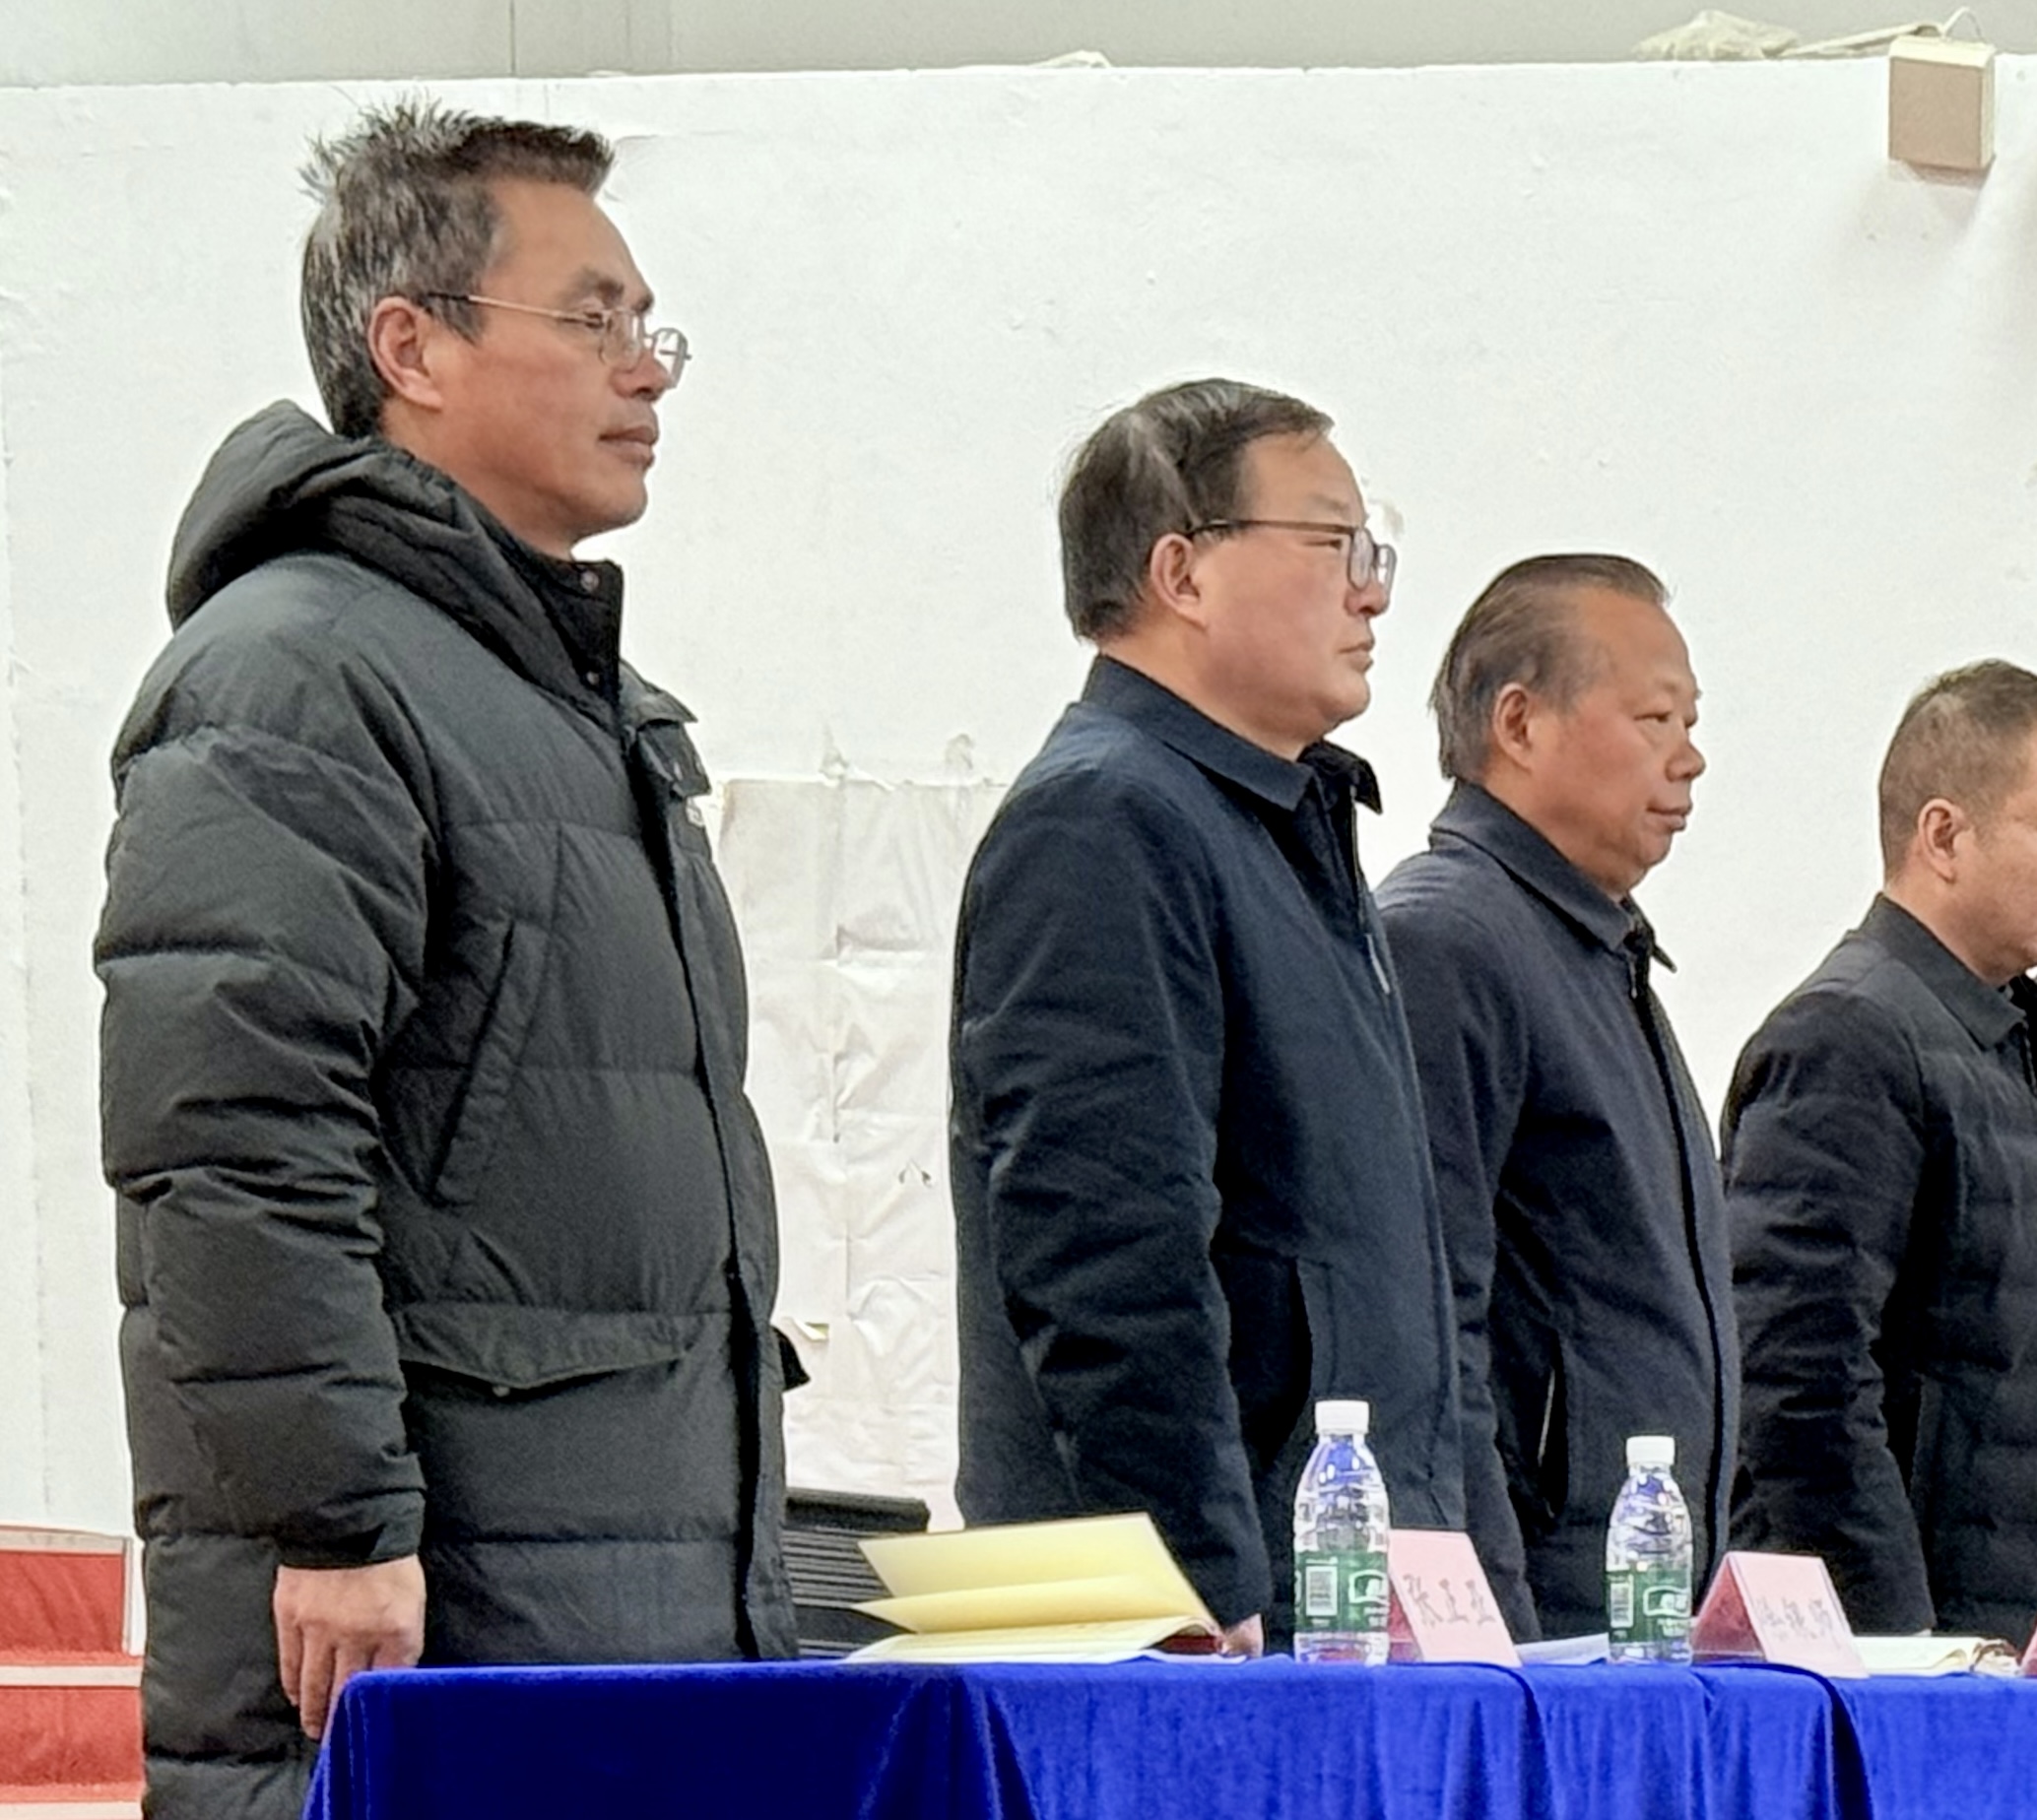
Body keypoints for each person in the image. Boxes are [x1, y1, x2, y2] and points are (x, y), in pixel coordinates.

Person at [96, 101, 791, 1818]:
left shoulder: (586, 711)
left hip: (628, 1595)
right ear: (410, 347)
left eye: (652, 325)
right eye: (595, 317)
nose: (646, 368)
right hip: (428, 1611)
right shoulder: (295, 679)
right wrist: (335, 1520)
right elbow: (234, 1143)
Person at [951, 379, 1462, 1654]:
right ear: (1181, 571)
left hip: (1319, 1605)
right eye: (1334, 544)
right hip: (1186, 1629)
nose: (1373, 592)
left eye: (1374, 550)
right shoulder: (1105, 821)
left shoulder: (1277, 832)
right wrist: (1192, 1582)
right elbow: (1106, 1247)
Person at [1726, 661, 2037, 1645]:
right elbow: (1801, 1380)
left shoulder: (2011, 1036)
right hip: (1901, 1651)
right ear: (1944, 836)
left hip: (2003, 1639)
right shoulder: (1851, 1034)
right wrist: (1896, 1639)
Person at [1377, 554, 1736, 1642]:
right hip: (1543, 1614)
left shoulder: (1594, 947)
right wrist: (1494, 1624)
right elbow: (1431, 1326)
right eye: (1655, 718)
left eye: (1691, 723)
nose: (1690, 758)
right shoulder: (1447, 941)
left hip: (1637, 1603)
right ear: (1519, 724)